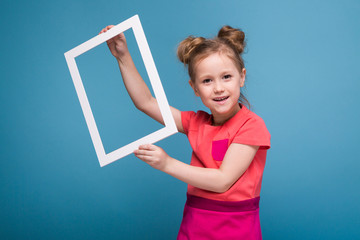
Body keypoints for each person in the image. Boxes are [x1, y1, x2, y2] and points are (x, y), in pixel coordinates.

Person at [99, 24, 271, 240]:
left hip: (236, 230)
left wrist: (167, 163)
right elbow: (146, 102)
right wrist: (122, 56)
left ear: (242, 77)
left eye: (226, 77)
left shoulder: (251, 126)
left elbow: (222, 180)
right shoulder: (195, 122)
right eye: (207, 80)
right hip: (195, 226)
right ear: (195, 88)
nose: (218, 88)